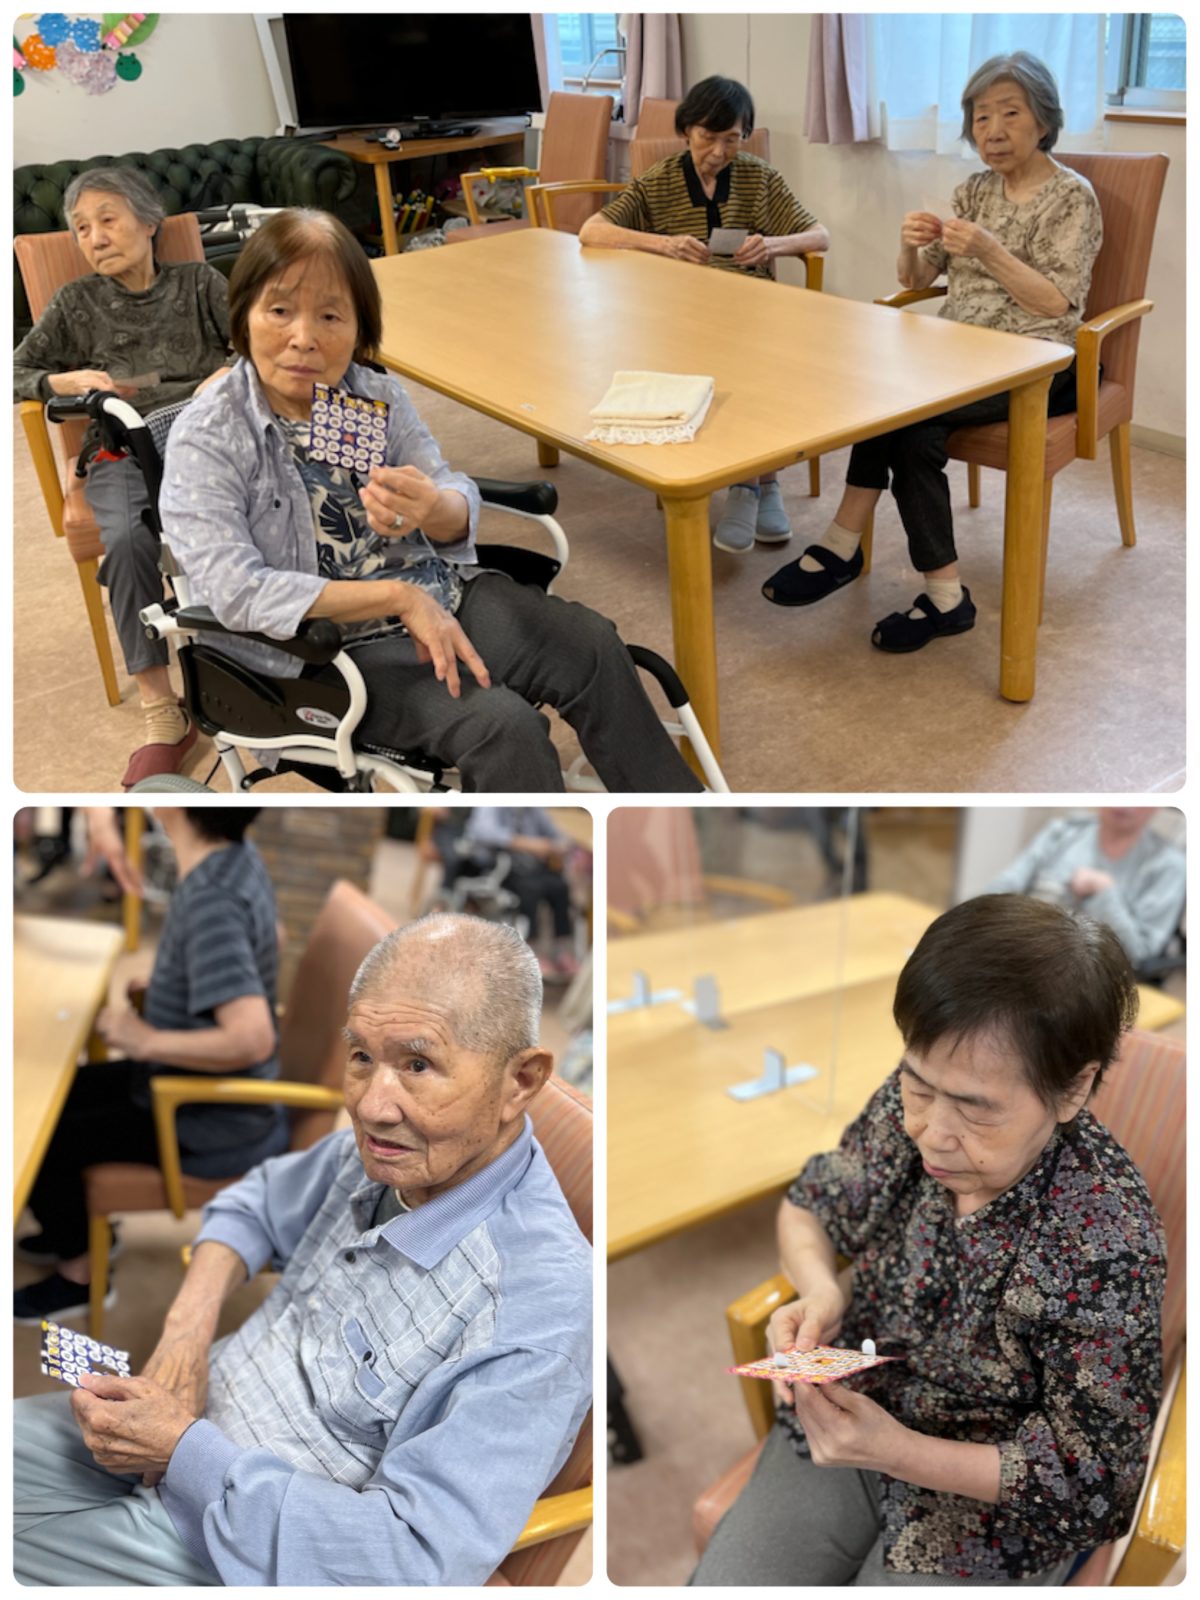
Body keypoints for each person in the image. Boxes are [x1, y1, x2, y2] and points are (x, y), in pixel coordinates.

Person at [13, 914, 592, 1586]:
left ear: (520, 1081)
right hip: (183, 1431)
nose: (373, 1106)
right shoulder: (384, 1153)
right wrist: (184, 1332)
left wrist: (185, 1452)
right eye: (362, 1057)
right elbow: (253, 1200)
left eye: (418, 1064)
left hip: (247, 1552)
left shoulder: (533, 1314)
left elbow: (408, 1560)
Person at [693, 895, 1164, 1585]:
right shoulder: (917, 1099)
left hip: (988, 1499)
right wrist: (821, 1289)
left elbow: (1093, 1479)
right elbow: (810, 1206)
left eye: (977, 1111)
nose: (931, 1134)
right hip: (864, 1404)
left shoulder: (1106, 1238)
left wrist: (901, 1452)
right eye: (919, 1088)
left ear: (1074, 1089)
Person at [158, 208, 703, 793]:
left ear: (359, 327)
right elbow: (236, 589)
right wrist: (396, 597)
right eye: (280, 310)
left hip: (438, 593)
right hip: (324, 654)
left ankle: (676, 834)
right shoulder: (212, 434)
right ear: (243, 315)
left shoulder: (368, 396)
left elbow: (450, 488)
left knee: (589, 646)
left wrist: (434, 509)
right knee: (503, 728)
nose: (304, 338)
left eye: (331, 315)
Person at [763, 51, 1102, 654]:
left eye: (1009, 114)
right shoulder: (973, 190)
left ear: (1044, 121)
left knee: (908, 412)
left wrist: (993, 251)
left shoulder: (1073, 198)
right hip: (961, 356)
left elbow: (1056, 304)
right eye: (979, 117)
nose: (992, 130)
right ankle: (946, 598)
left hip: (1043, 362)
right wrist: (909, 244)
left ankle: (844, 544)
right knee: (900, 414)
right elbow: (919, 279)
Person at [14, 807, 286, 1323]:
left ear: (169, 807)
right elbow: (272, 938)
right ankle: (78, 1228)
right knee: (58, 1091)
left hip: (206, 1118)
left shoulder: (211, 898)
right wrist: (176, 989)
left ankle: (80, 1276)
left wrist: (146, 1037)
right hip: (194, 1090)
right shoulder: (238, 858)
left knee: (43, 1130)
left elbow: (252, 1037)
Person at [13, 168, 233, 784]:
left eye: (108, 219)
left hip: (211, 439)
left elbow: (257, 341)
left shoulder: (198, 282)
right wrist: (66, 381)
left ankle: (258, 655)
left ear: (149, 221)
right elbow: (16, 369)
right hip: (122, 449)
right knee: (132, 542)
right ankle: (163, 706)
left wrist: (232, 370)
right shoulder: (76, 303)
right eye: (81, 227)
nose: (94, 236)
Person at [579, 76, 830, 554]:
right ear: (686, 131)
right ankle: (747, 484)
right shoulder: (662, 179)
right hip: (680, 312)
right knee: (707, 356)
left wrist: (773, 244)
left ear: (744, 136)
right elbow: (593, 231)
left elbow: (819, 235)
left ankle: (759, 485)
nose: (718, 150)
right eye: (707, 137)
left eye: (731, 138)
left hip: (752, 308)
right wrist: (662, 243)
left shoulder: (758, 176)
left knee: (772, 360)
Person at [987, 808, 1186, 967]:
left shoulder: (1170, 867)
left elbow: (1138, 953)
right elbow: (1006, 883)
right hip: (1020, 948)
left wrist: (1105, 892)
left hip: (1089, 973)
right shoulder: (1063, 831)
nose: (1125, 804)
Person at [464, 807, 580, 979]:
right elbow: (482, 831)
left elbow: (555, 834)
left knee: (559, 887)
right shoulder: (491, 806)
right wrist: (527, 843)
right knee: (531, 890)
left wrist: (559, 845)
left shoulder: (533, 810)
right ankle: (533, 951)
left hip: (532, 867)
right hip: (501, 867)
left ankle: (561, 949)